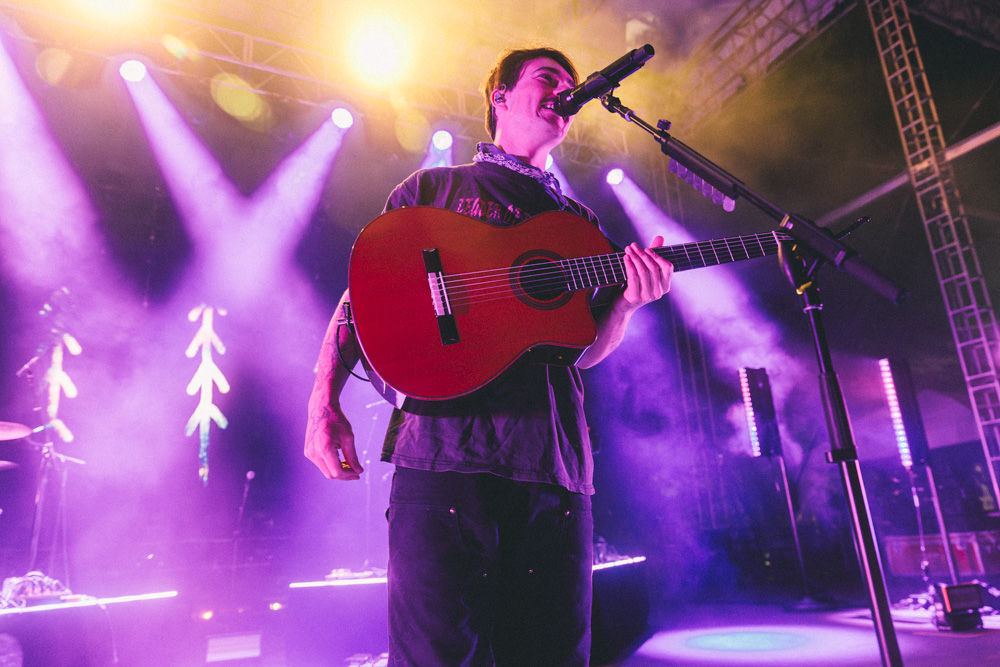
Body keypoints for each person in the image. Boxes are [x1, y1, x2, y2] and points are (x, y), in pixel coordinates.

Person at [305, 46, 674, 667]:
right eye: (547, 79)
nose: (565, 91)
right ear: (499, 98)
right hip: (445, 458)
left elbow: (579, 355)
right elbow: (361, 298)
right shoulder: (434, 188)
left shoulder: (580, 225)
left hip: (555, 474)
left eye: (572, 85)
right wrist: (323, 401)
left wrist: (628, 305)